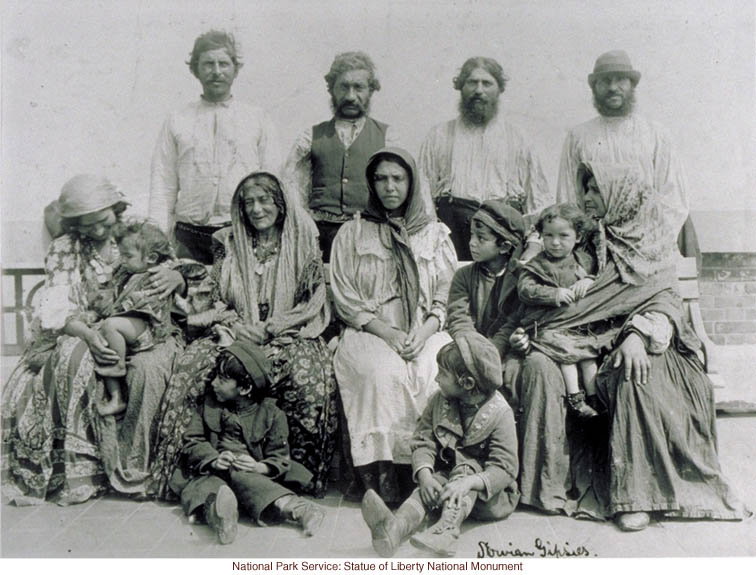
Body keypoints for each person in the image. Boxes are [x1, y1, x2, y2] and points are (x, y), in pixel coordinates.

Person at [500, 162, 748, 530]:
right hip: (586, 339)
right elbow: (547, 290)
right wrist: (526, 333)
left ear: (621, 195)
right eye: (585, 190)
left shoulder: (653, 241)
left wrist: (637, 334)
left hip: (653, 340)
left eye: (594, 191)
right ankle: (552, 487)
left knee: (634, 374)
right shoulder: (588, 240)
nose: (586, 198)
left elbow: (665, 300)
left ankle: (639, 495)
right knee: (556, 367)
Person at [149, 171, 338, 499]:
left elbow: (312, 300)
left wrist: (271, 328)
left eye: (264, 200)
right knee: (193, 365)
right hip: (235, 327)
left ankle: (296, 480)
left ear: (279, 204)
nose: (256, 209)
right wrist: (236, 327)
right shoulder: (228, 242)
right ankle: (193, 471)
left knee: (310, 382)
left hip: (290, 330)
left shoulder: (303, 239)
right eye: (248, 202)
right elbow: (218, 297)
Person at [2, 174, 186, 505]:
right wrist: (88, 332)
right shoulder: (65, 248)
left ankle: (137, 467)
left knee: (145, 368)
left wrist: (176, 276)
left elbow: (172, 267)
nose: (98, 232)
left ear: (116, 208)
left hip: (148, 327)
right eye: (87, 226)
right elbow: (61, 310)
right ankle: (77, 471)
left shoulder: (139, 233)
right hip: (87, 327)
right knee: (74, 357)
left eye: (102, 221)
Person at [330, 147, 456, 505]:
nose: (389, 187)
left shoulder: (433, 234)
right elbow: (345, 296)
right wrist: (387, 332)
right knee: (379, 373)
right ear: (371, 184)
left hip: (423, 328)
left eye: (398, 179)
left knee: (435, 370)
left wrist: (427, 330)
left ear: (412, 183)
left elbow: (445, 293)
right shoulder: (352, 234)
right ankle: (383, 484)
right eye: (381, 179)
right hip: (371, 328)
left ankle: (431, 473)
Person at [361, 332, 519, 558]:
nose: (436, 379)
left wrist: (469, 483)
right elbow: (423, 440)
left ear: (467, 383)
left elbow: (505, 469)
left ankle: (447, 531)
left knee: (466, 470)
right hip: (446, 481)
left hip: (486, 495)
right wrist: (425, 476)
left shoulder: (500, 414)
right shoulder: (440, 401)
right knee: (428, 486)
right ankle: (396, 528)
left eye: (443, 374)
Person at [169, 342, 325, 544]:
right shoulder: (209, 406)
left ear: (245, 388)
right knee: (204, 489)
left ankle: (299, 509)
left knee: (244, 478)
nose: (213, 383)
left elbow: (280, 456)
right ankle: (223, 519)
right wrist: (213, 459)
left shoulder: (272, 414)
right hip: (214, 473)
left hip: (252, 478)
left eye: (222, 379)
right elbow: (193, 440)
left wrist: (260, 466)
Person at [556, 49, 699, 267]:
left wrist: (647, 242)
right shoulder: (578, 136)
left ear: (632, 85)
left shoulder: (655, 134)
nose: (613, 87)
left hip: (647, 246)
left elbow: (673, 198)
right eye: (605, 81)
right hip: (595, 246)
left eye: (620, 80)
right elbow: (568, 198)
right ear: (594, 88)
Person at [149, 30, 281, 264]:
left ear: (235, 69)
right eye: (208, 64)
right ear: (195, 69)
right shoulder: (177, 119)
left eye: (223, 63)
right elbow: (163, 184)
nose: (216, 71)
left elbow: (272, 181)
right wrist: (157, 239)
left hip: (241, 234)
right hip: (189, 238)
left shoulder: (257, 118)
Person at [418, 56, 551, 260]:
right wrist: (433, 241)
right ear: (461, 87)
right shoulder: (439, 135)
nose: (479, 90)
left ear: (499, 89)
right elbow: (423, 191)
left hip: (505, 237)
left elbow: (538, 197)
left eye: (487, 83)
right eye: (472, 82)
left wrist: (533, 245)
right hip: (453, 238)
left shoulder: (520, 138)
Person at [282, 51, 395, 262]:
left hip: (369, 237)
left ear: (371, 90)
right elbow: (291, 188)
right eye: (344, 87)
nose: (351, 96)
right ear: (332, 89)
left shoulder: (387, 138)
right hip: (320, 237)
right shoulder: (310, 137)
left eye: (359, 87)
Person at [516, 203, 600, 419]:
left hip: (576, 324)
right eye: (548, 235)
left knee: (588, 357)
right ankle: (576, 399)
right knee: (568, 355)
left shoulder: (583, 261)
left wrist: (589, 281)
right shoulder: (538, 264)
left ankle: (596, 398)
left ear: (578, 237)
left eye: (563, 236)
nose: (555, 242)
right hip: (547, 325)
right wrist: (553, 294)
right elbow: (525, 289)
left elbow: (599, 280)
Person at [93, 220, 176, 416]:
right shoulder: (127, 272)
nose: (122, 260)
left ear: (151, 257)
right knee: (104, 335)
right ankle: (116, 397)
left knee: (110, 325)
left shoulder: (155, 274)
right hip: (130, 322)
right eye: (121, 255)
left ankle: (118, 368)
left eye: (128, 256)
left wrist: (115, 309)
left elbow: (143, 303)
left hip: (150, 326)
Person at [445, 199, 526, 345]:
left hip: (508, 345)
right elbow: (458, 318)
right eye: (471, 234)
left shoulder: (521, 278)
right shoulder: (464, 276)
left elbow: (513, 322)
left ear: (505, 247)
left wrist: (496, 349)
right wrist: (476, 347)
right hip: (472, 345)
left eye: (481, 238)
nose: (471, 242)